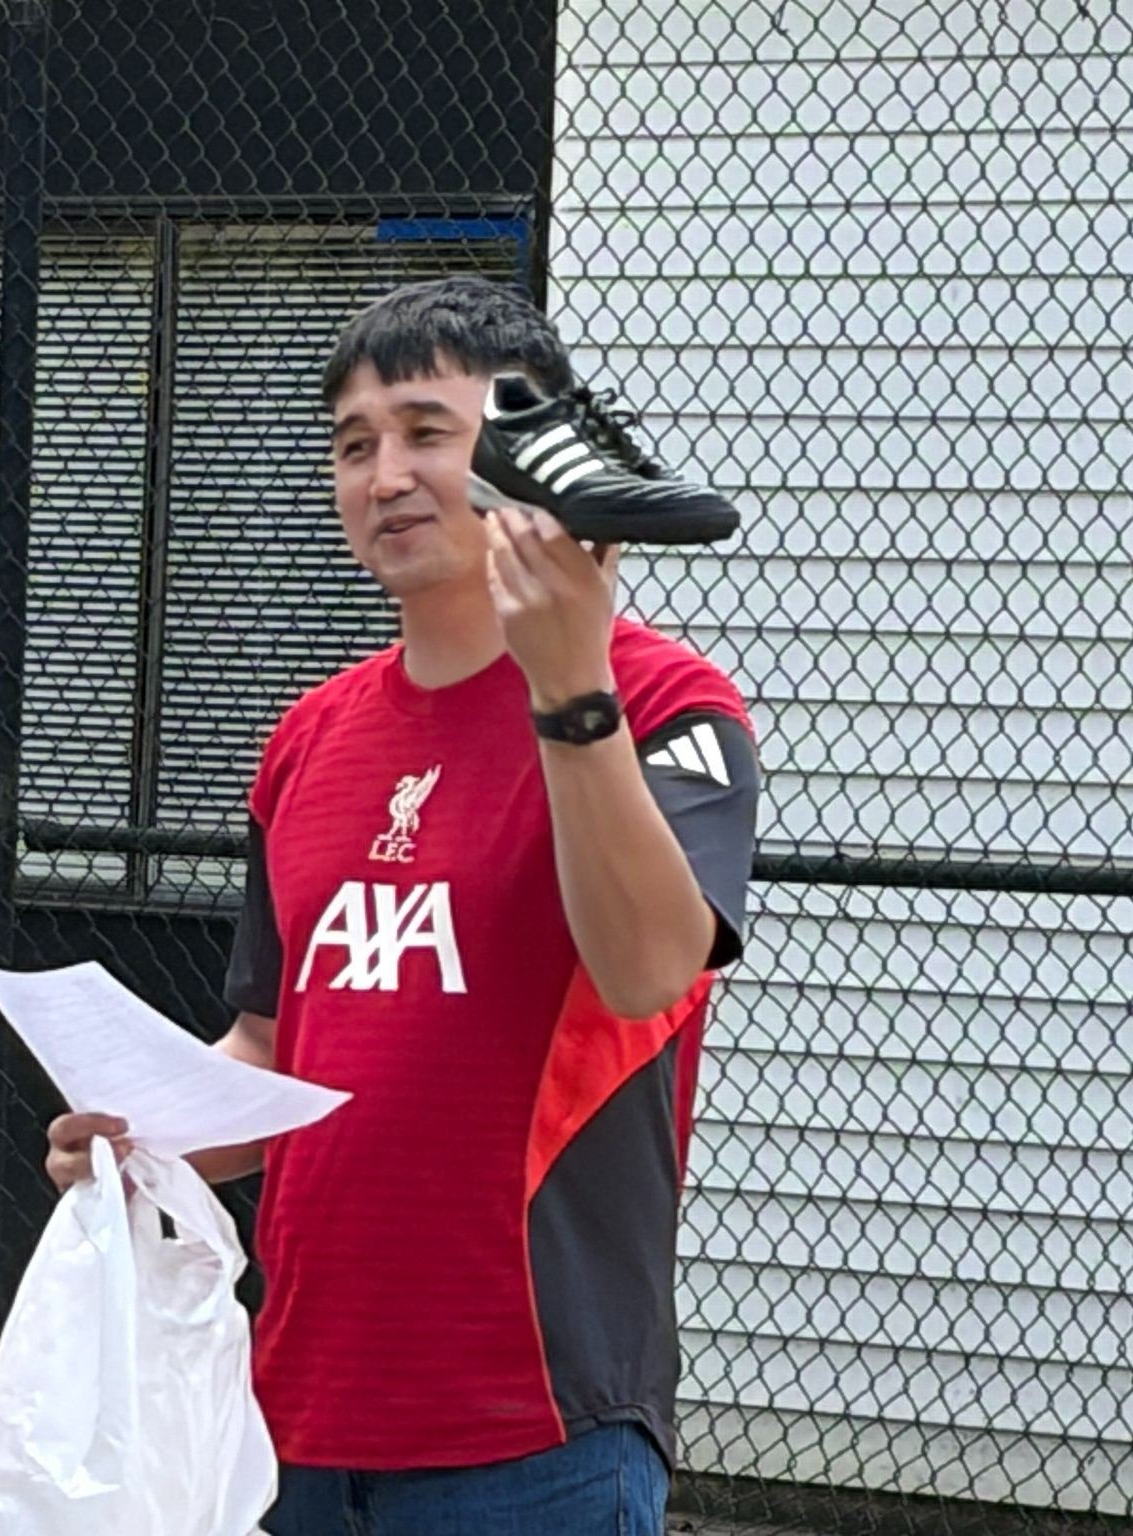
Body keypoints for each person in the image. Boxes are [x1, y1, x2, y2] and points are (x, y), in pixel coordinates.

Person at [46, 276, 759, 1536]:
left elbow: (651, 967)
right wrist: (139, 1137)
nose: (385, 477)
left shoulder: (662, 702)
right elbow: (272, 1050)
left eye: (428, 432)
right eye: (353, 445)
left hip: (537, 1428)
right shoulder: (309, 739)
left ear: (531, 455)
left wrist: (570, 692)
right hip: (292, 1420)